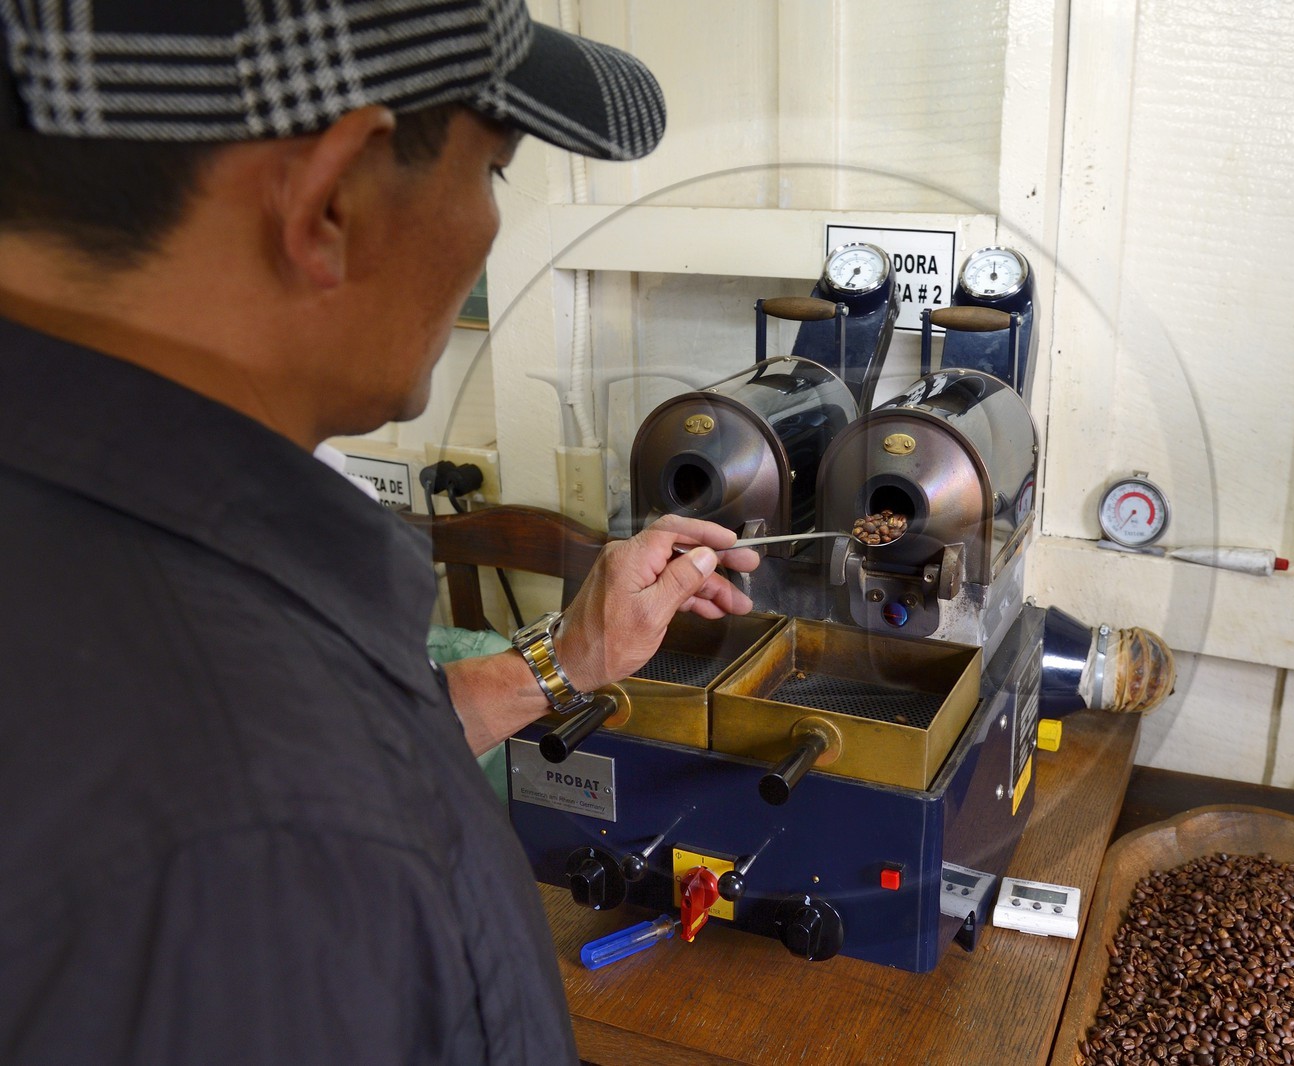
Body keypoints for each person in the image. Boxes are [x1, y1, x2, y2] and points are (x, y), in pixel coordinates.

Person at [0, 2, 758, 1062]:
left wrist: (566, 659)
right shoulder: (255, 838)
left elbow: (357, 750)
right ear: (332, 201)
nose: (487, 225)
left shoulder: (128, 569)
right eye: (492, 172)